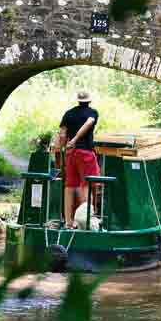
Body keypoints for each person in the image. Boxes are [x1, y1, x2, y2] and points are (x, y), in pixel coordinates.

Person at [59, 90, 100, 228]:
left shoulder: (68, 113)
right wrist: (76, 139)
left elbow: (62, 134)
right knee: (87, 185)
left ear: (78, 100)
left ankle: (68, 222)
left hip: (71, 154)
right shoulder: (92, 112)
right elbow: (89, 123)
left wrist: (64, 147)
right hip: (85, 153)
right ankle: (87, 221)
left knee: (69, 186)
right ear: (89, 101)